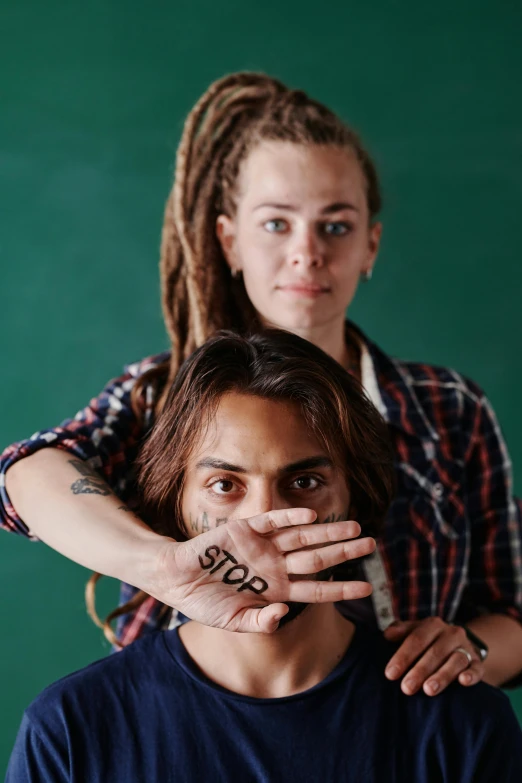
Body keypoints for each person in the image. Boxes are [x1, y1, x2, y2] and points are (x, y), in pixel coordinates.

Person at [2, 72, 521, 698]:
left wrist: (471, 650)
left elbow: (511, 612)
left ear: (371, 245)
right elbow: (22, 476)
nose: (307, 253)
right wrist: (163, 567)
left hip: (395, 742)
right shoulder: (162, 395)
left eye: (336, 226)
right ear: (230, 241)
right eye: (277, 224)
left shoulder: (450, 410)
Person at [6, 331, 522, 783]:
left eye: (303, 482)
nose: (263, 521)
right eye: (225, 484)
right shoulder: (70, 729)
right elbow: (24, 472)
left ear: (356, 499)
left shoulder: (463, 727)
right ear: (174, 500)